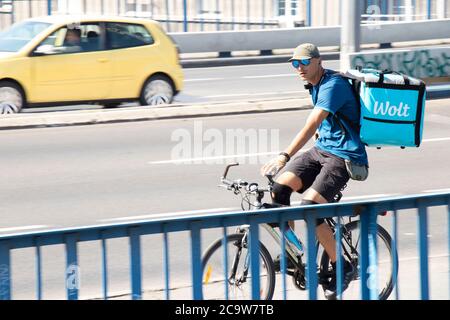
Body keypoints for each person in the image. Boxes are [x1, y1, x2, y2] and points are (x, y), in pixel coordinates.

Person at [261, 43, 368, 300]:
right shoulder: (314, 83)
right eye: (294, 63)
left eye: (304, 63)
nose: (299, 68)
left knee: (310, 207)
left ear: (319, 61)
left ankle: (342, 265)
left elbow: (312, 124)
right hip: (321, 151)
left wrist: (284, 155)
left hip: (344, 157)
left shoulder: (333, 86)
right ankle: (292, 253)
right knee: (278, 191)